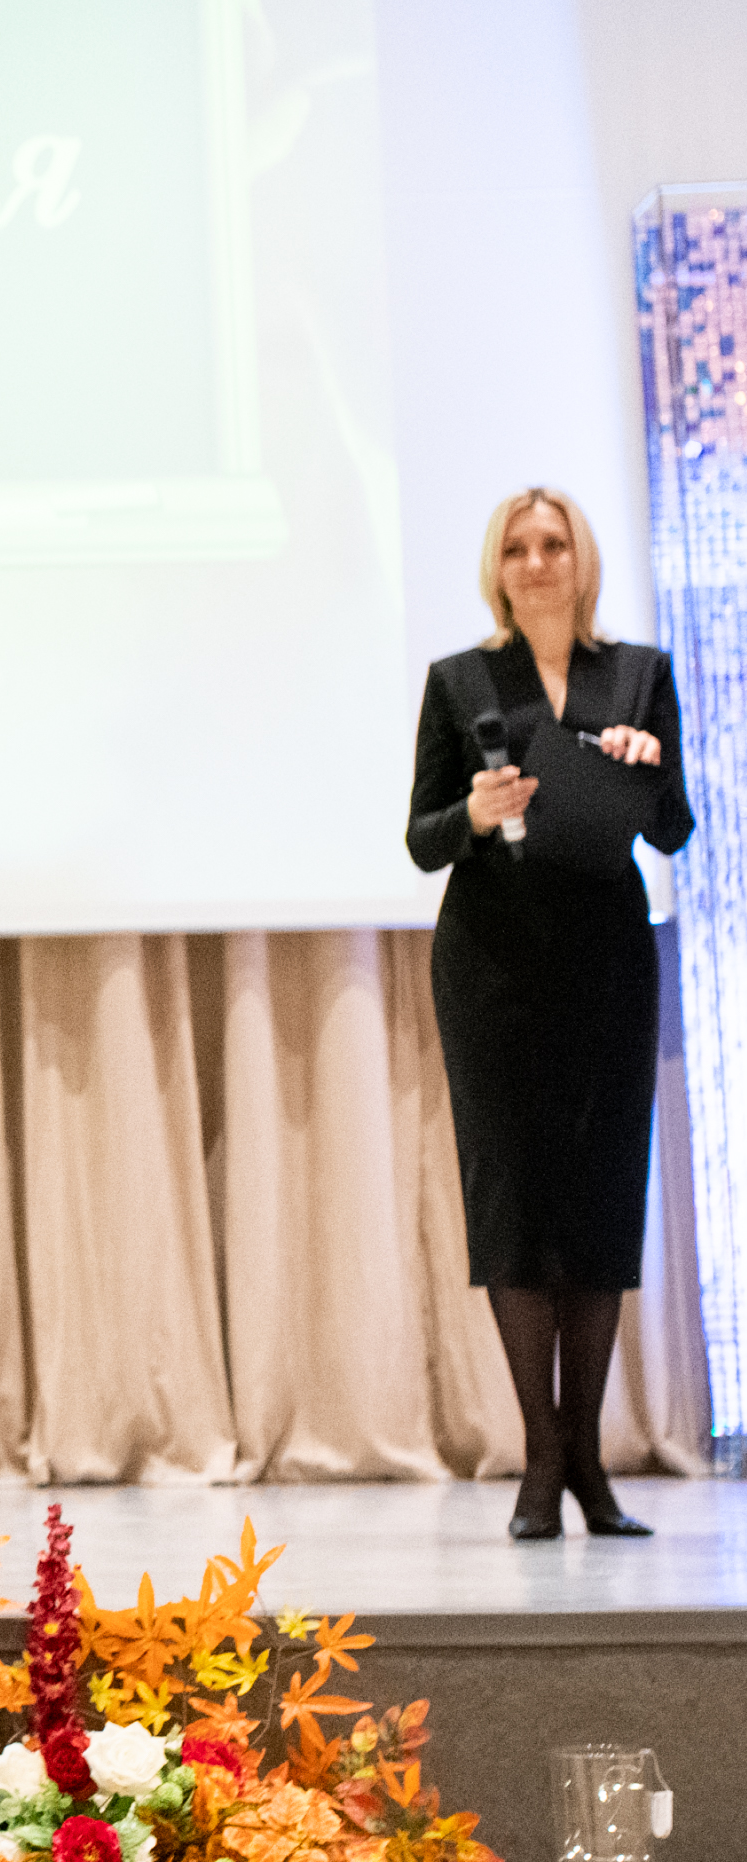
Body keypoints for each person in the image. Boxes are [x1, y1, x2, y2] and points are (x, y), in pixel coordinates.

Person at [406, 486, 693, 1541]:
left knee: (600, 1205)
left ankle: (589, 1463)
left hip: (607, 964)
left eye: (554, 543)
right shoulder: (460, 681)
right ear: (497, 568)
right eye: (517, 547)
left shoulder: (638, 675)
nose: (536, 561)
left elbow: (675, 829)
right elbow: (421, 837)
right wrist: (474, 814)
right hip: (490, 969)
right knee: (516, 1205)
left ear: (582, 560)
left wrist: (645, 770)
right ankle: (540, 1461)